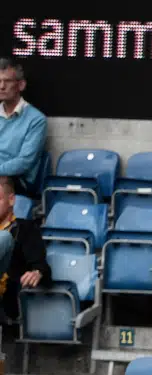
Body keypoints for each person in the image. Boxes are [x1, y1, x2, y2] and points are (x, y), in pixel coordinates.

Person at [0, 175, 48, 322]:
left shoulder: (25, 229)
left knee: (4, 238)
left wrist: (37, 273)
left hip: (5, 298)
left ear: (11, 200)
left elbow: (41, 265)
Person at [0, 60, 46, 199]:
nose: (2, 86)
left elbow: (24, 162)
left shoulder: (36, 119)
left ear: (21, 85)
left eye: (7, 81)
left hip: (17, 181)